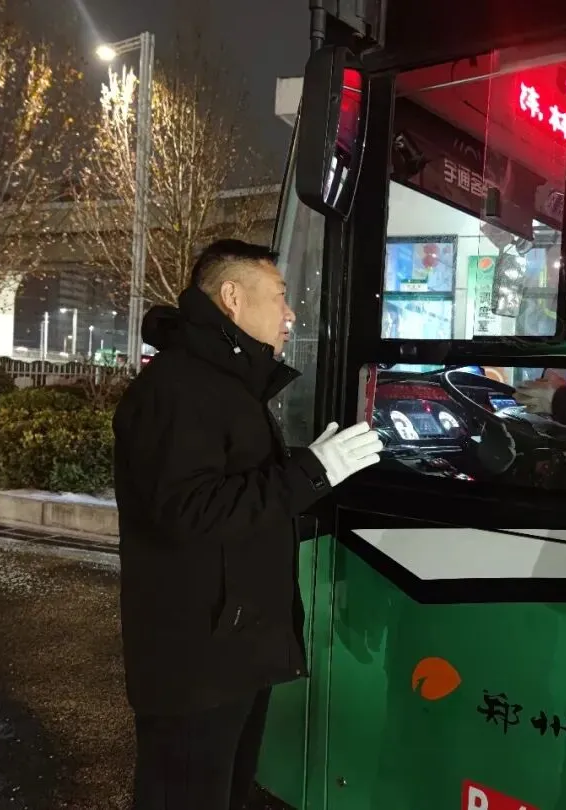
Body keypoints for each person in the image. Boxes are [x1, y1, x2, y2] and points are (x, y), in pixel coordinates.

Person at [113, 239, 383, 810]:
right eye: (280, 296)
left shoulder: (225, 385)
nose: (291, 313)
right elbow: (189, 511)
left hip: (230, 650)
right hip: (196, 662)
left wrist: (310, 470)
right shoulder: (179, 389)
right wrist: (310, 473)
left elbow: (236, 489)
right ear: (232, 297)